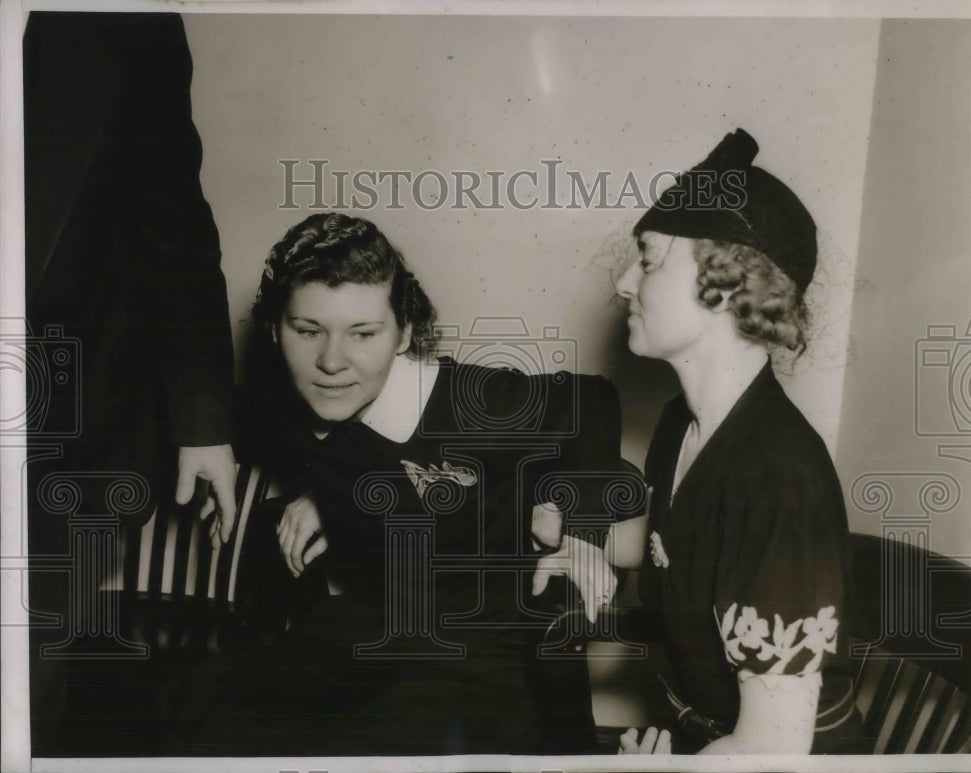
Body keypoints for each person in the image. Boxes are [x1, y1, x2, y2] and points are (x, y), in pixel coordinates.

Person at [182, 211, 628, 756]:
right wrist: (301, 487)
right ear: (276, 332)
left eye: (363, 334)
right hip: (385, 626)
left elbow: (594, 403)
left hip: (497, 646)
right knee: (203, 704)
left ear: (405, 333)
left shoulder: (470, 403)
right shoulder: (286, 405)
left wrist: (582, 536)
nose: (330, 362)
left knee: (380, 738)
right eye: (308, 331)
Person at [23, 12, 237, 754]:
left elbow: (170, 216)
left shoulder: (124, 23)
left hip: (57, 430)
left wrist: (204, 419)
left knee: (26, 668)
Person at [611, 129, 865, 755]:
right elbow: (674, 557)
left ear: (722, 282)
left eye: (645, 258)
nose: (622, 283)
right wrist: (578, 549)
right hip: (700, 739)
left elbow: (773, 750)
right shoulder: (682, 423)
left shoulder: (777, 474)